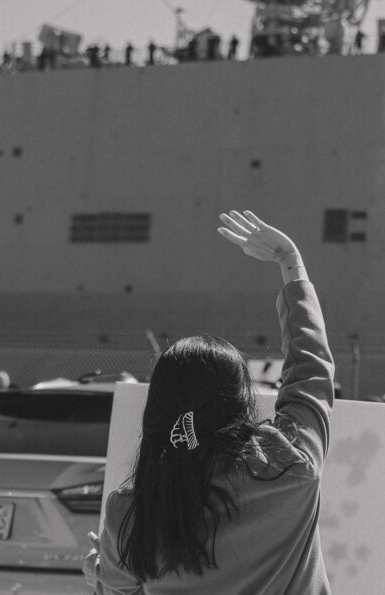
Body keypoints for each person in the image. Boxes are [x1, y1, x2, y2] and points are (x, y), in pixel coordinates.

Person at [84, 210, 334, 594]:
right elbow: (311, 373)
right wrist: (290, 264)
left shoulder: (131, 512)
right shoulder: (291, 470)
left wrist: (97, 578)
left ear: (157, 410)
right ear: (240, 402)